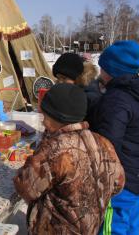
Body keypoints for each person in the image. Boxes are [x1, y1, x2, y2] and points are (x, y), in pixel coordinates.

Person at [14, 83, 125, 234]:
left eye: (45, 116)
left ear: (57, 117)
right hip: (90, 228)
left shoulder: (55, 149)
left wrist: (32, 161)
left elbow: (27, 187)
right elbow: (118, 183)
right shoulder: (102, 142)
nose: (42, 121)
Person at [89, 41, 139, 234]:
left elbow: (107, 144)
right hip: (138, 175)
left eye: (102, 68)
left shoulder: (116, 100)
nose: (99, 72)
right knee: (131, 225)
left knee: (113, 228)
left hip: (120, 182)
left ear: (112, 71)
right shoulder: (136, 95)